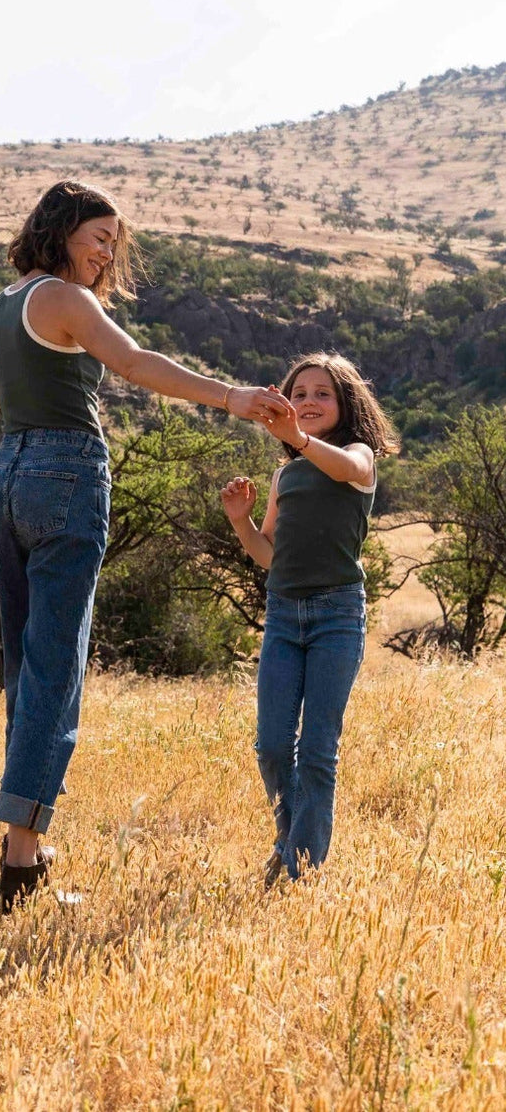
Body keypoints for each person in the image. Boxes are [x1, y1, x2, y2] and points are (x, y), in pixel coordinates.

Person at [0, 179, 291, 911]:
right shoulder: (68, 301)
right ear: (60, 228)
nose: (108, 251)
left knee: (26, 664)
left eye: (115, 241)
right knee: (57, 666)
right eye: (98, 234)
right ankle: (22, 859)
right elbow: (135, 363)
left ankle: (28, 839)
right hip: (67, 476)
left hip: (8, 484)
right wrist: (233, 398)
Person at [220, 352, 399, 885]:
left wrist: (299, 437)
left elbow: (353, 469)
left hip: (337, 617)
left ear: (345, 405)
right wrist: (240, 521)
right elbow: (270, 552)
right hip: (282, 617)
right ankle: (288, 840)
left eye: (322, 393)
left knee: (318, 749)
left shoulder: (357, 455)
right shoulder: (285, 476)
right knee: (273, 745)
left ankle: (299, 870)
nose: (309, 402)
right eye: (299, 393)